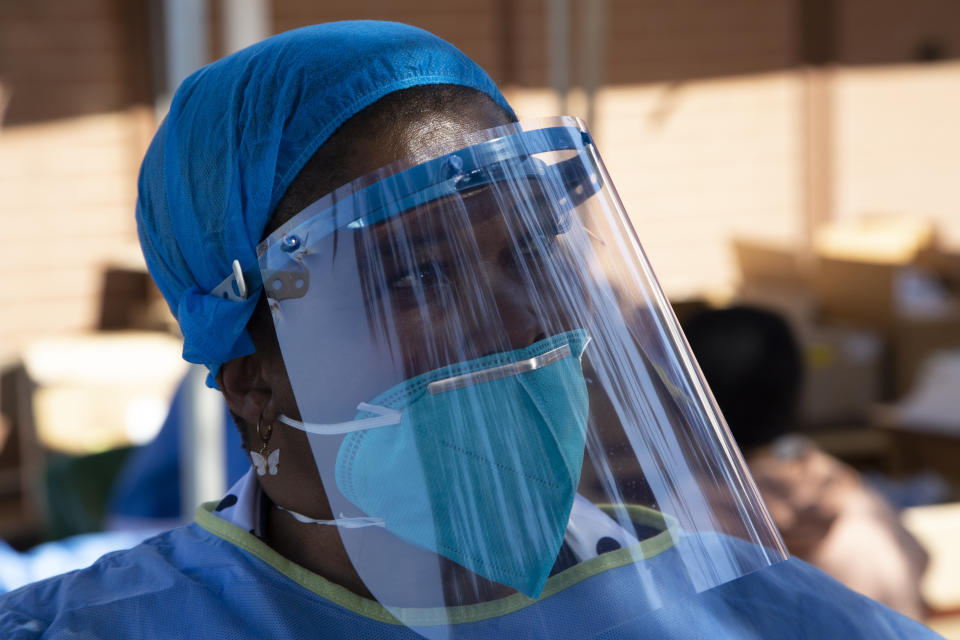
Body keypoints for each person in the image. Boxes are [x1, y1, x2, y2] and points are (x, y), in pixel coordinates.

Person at [0, 22, 943, 639]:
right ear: (253, 381)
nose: (518, 320)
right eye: (413, 275)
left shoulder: (769, 619)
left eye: (531, 253)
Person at [683, 305, 930, 620]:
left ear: (684, 396)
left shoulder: (683, 520)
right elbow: (919, 565)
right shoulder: (859, 498)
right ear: (795, 386)